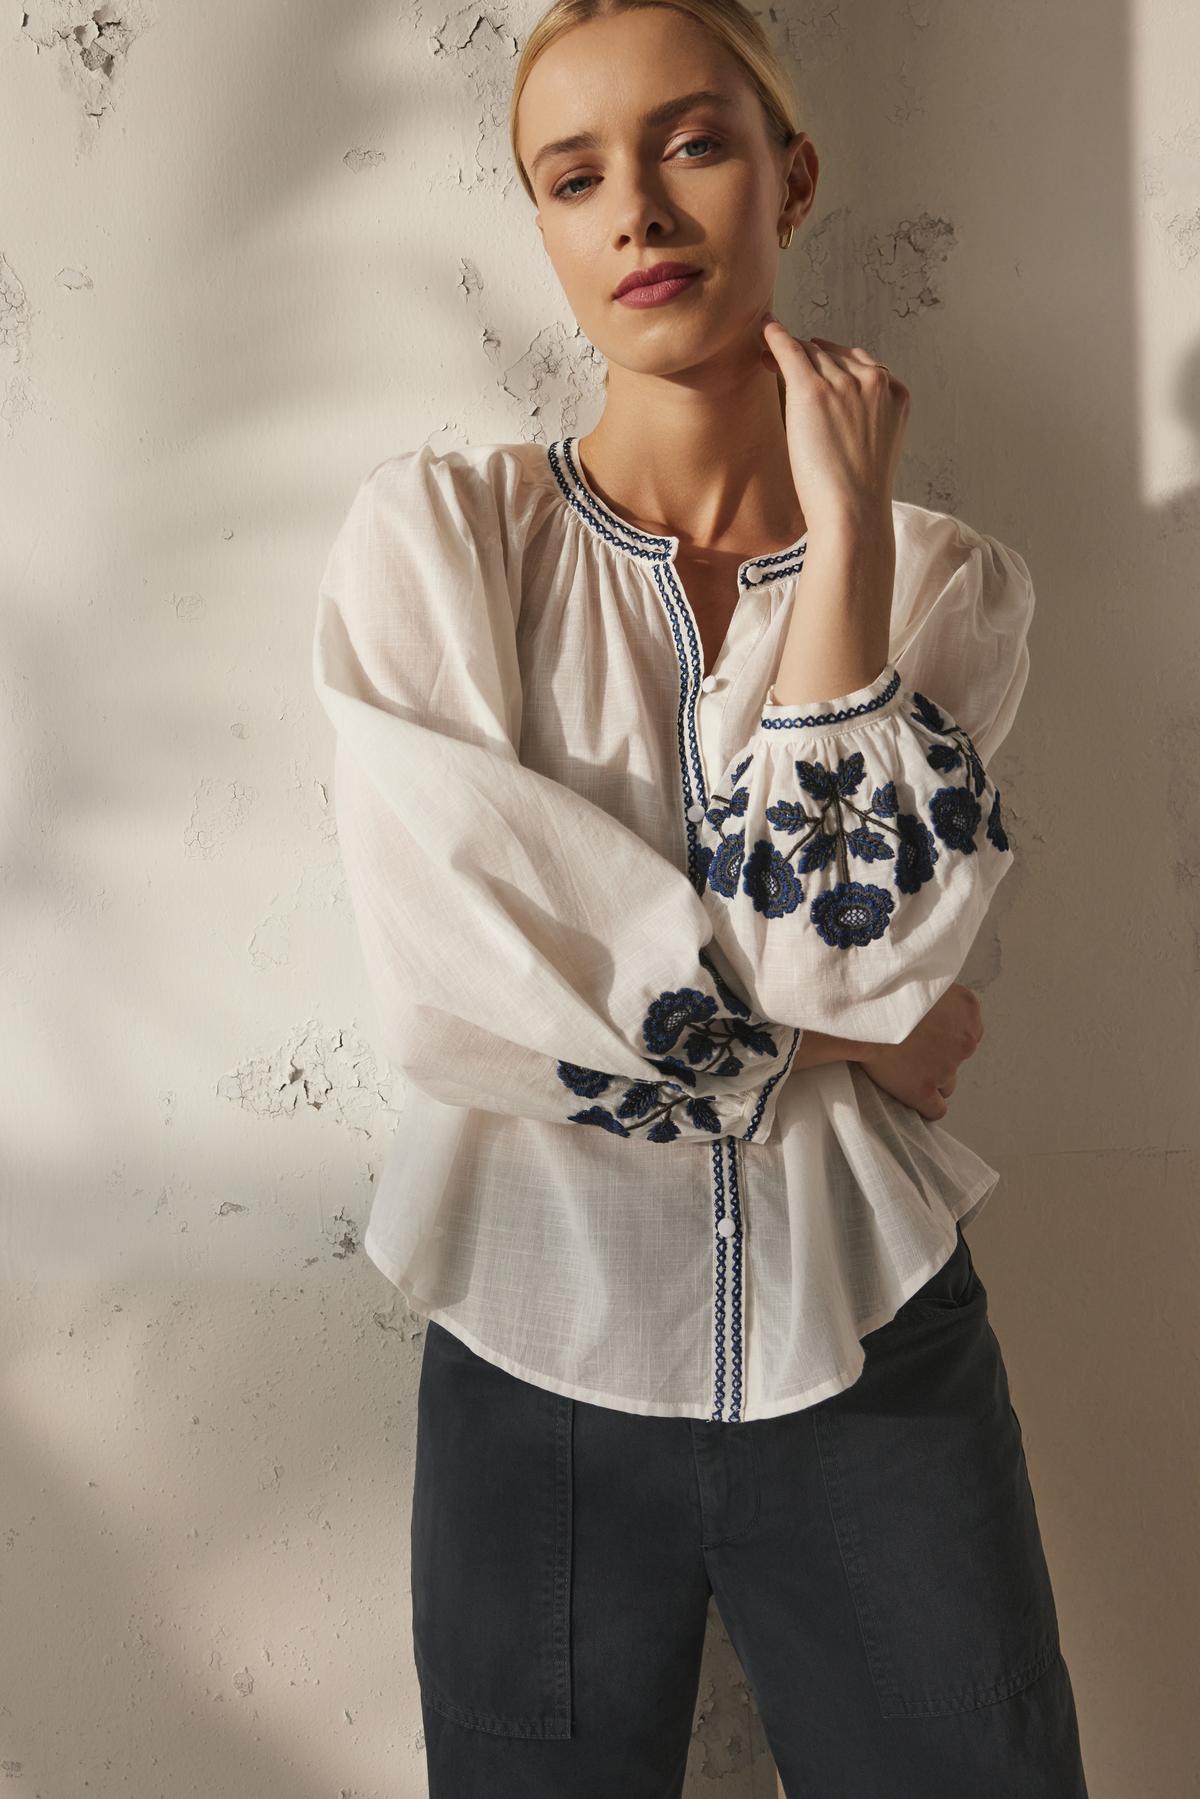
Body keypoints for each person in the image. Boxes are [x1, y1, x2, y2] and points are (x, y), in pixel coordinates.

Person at [311, 1, 1090, 1793]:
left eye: (692, 144)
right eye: (575, 177)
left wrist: (846, 533)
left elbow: (843, 935)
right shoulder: (440, 548)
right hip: (534, 1356)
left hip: (875, 1346)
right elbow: (465, 994)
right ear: (545, 235)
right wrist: (847, 1042)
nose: (638, 215)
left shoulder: (947, 586)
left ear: (791, 174)